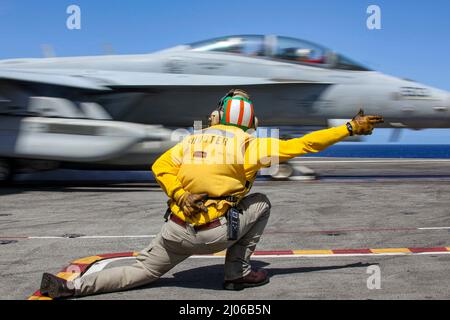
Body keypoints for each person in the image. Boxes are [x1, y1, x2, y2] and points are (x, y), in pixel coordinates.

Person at [39, 89, 383, 298]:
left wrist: (178, 191)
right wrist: (350, 127)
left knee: (141, 272)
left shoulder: (190, 140)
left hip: (174, 230)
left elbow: (160, 167)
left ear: (218, 115)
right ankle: (238, 273)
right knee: (261, 203)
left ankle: (71, 288)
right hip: (216, 233)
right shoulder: (250, 144)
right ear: (250, 120)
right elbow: (303, 145)